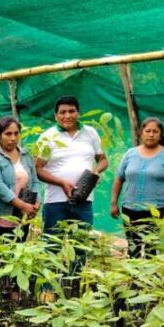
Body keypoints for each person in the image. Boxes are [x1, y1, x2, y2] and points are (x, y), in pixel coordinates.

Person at [35, 96, 108, 234]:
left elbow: (103, 160)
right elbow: (38, 168)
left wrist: (96, 172)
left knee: (81, 244)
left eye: (71, 111)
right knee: (52, 245)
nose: (67, 116)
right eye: (62, 112)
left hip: (84, 199)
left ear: (78, 113)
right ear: (56, 116)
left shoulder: (90, 133)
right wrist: (61, 182)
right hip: (55, 201)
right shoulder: (48, 137)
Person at [110, 117, 164, 257]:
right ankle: (134, 278)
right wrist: (113, 203)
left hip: (155, 211)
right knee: (133, 248)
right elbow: (119, 178)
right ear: (141, 133)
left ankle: (149, 278)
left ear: (160, 135)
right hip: (130, 209)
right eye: (148, 131)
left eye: (155, 131)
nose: (151, 134)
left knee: (150, 250)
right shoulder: (130, 153)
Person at [0, 116, 40, 237]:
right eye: (8, 134)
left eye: (16, 133)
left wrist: (36, 202)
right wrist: (23, 206)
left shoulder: (25, 155)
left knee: (18, 253)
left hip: (21, 219)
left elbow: (35, 181)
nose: (13, 138)